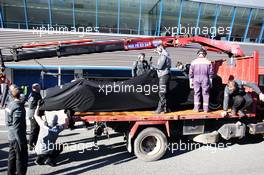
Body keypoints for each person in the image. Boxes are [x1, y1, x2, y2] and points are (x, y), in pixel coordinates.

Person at [5, 85, 28, 175]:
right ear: (20, 95)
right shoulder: (18, 107)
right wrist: (21, 141)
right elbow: (17, 126)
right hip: (17, 137)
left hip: (11, 136)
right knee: (21, 158)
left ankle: (10, 173)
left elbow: (8, 122)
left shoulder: (9, 104)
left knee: (12, 156)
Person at [189, 48, 214, 112]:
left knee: (196, 93)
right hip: (205, 78)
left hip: (196, 78)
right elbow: (211, 73)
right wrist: (210, 81)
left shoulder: (193, 62)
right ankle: (206, 109)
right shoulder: (208, 62)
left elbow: (191, 73)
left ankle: (196, 109)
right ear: (205, 54)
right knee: (205, 93)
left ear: (198, 54)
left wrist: (191, 81)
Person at [154, 44, 171, 114]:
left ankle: (160, 109)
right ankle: (165, 109)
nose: (156, 49)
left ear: (161, 48)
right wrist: (158, 53)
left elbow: (160, 67)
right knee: (165, 93)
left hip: (163, 76)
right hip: (166, 75)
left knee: (162, 93)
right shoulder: (166, 55)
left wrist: (153, 66)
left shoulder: (163, 56)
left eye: (157, 48)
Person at [28, 83, 42, 150]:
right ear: (36, 88)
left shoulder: (36, 94)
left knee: (37, 129)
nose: (40, 88)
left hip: (36, 114)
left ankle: (35, 143)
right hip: (33, 114)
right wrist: (38, 104)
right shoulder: (33, 95)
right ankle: (30, 144)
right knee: (33, 130)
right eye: (39, 87)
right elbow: (31, 105)